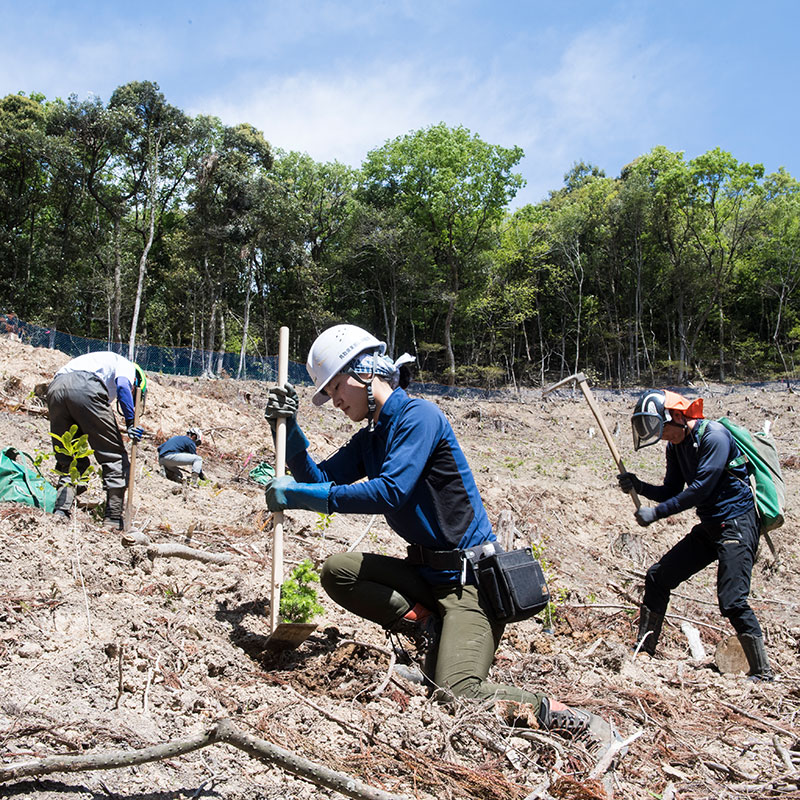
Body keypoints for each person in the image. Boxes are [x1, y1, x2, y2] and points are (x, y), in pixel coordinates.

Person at [263, 323, 619, 748]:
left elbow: (389, 491)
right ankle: (429, 627)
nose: (336, 401)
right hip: (428, 579)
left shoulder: (419, 418)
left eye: (337, 388)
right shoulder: (371, 438)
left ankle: (558, 713)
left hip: (470, 587)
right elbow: (319, 477)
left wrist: (300, 496)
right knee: (339, 571)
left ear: (364, 374)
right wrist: (289, 431)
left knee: (455, 695)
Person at [619, 389, 773, 681]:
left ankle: (763, 673)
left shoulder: (713, 436)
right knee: (657, 577)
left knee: (732, 601)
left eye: (662, 428)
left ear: (678, 416)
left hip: (737, 523)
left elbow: (700, 489)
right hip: (711, 526)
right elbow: (672, 490)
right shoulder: (676, 446)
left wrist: (657, 513)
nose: (662, 436)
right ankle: (644, 649)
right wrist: (639, 486)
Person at [46, 351, 146, 530]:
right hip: (86, 387)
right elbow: (123, 386)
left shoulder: (97, 361)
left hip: (55, 388)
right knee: (114, 457)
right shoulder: (128, 366)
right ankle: (113, 519)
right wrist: (131, 422)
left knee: (70, 454)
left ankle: (61, 512)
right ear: (137, 383)